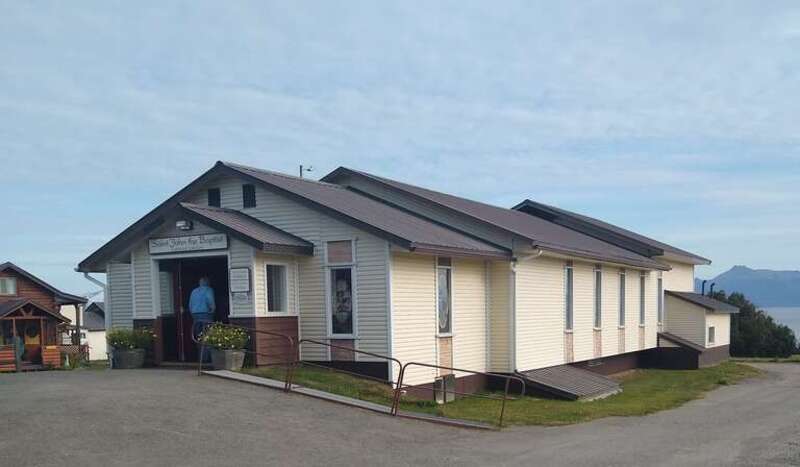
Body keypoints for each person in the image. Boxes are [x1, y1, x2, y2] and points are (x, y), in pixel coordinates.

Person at [189, 277, 216, 362]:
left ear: (200, 283)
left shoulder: (194, 291)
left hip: (195, 315)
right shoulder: (208, 290)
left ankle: (200, 358)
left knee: (198, 336)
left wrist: (192, 313)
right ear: (207, 282)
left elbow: (190, 304)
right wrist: (213, 309)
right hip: (206, 314)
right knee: (207, 336)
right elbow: (209, 300)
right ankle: (206, 358)